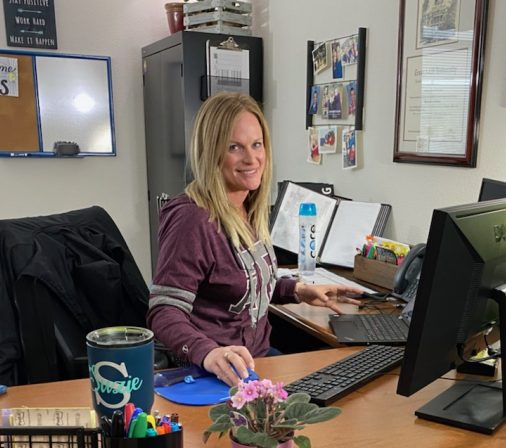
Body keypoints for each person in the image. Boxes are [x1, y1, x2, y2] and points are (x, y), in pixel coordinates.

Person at [148, 93, 363, 385]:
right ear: (211, 152)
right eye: (234, 147)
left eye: (257, 145)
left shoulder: (246, 206)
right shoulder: (193, 219)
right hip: (215, 373)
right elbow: (164, 310)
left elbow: (238, 287)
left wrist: (297, 291)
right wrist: (209, 353)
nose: (252, 159)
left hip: (257, 361)